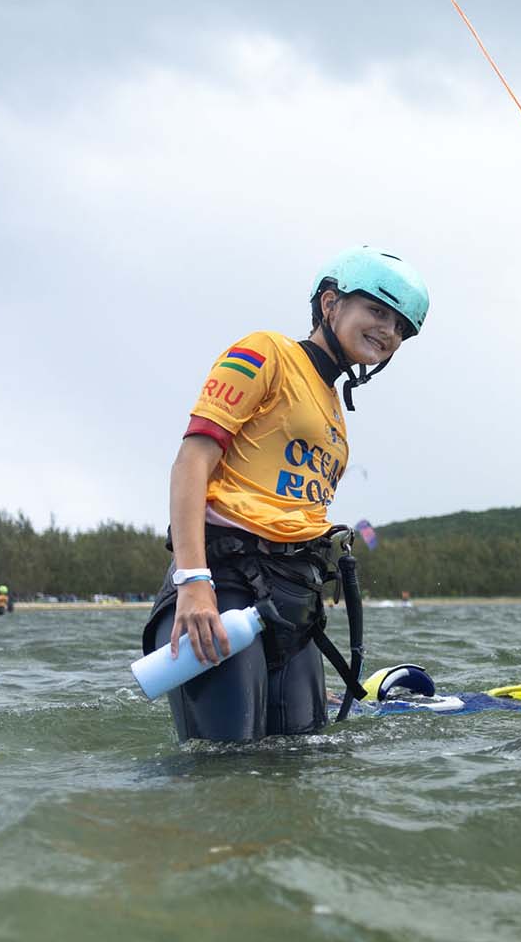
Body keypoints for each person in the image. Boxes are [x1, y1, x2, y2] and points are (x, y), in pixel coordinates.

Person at [138, 247, 428, 743]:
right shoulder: (266, 352)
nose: (389, 331)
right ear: (330, 303)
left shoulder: (334, 411)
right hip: (223, 586)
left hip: (292, 607)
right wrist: (193, 581)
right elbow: (192, 460)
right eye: (378, 311)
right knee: (223, 767)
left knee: (301, 762)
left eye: (400, 326)